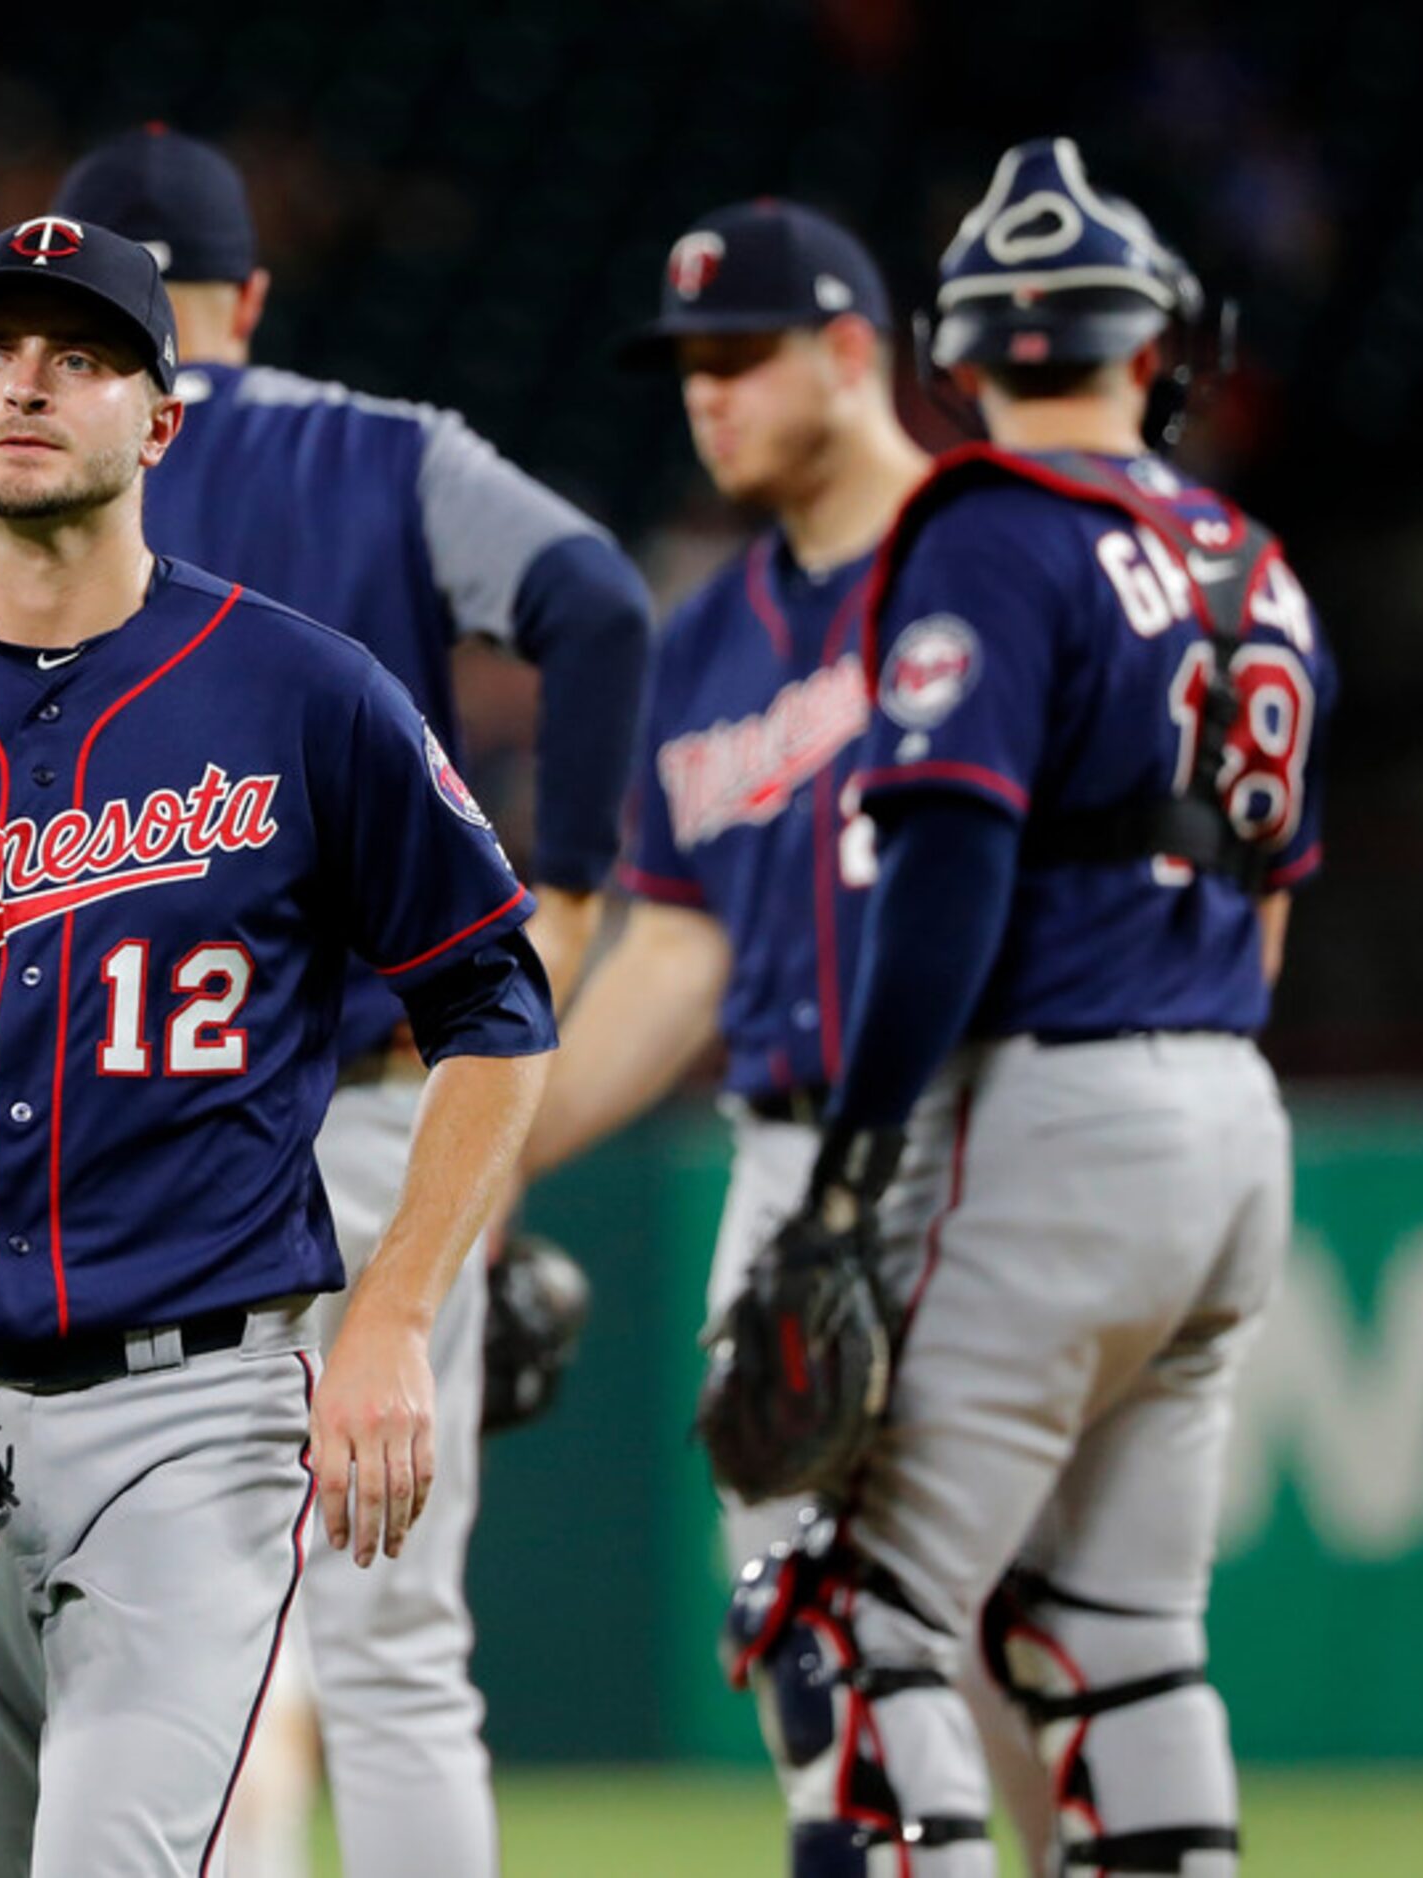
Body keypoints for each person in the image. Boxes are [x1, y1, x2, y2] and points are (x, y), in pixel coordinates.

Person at [0, 214, 555, 1877]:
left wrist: (401, 1307)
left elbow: (495, 1004)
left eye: (78, 355)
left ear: (161, 419)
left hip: (198, 1411)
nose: (26, 383)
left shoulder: (305, 691)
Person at [0, 127, 648, 1878]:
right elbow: (595, 601)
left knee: (155, 1624)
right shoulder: (385, 452)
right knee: (396, 1647)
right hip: (378, 1094)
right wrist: (579, 892)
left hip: (119, 1132)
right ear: (246, 292)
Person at [721, 138, 1335, 1875]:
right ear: (1159, 348)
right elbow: (1272, 906)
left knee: (842, 1618)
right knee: (1119, 1641)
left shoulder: (990, 532)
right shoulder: (1255, 565)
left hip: (1050, 1114)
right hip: (1228, 1118)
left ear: (961, 355)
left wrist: (851, 1168)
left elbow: (944, 879)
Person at [523, 195, 1064, 1874]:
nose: (707, 396)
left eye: (740, 359)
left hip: (999, 1128)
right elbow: (673, 953)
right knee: (810, 1633)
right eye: (687, 367)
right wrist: (477, 1160)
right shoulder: (706, 643)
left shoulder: (1011, 551)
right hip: (782, 1153)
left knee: (1018, 1634)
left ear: (852, 352)